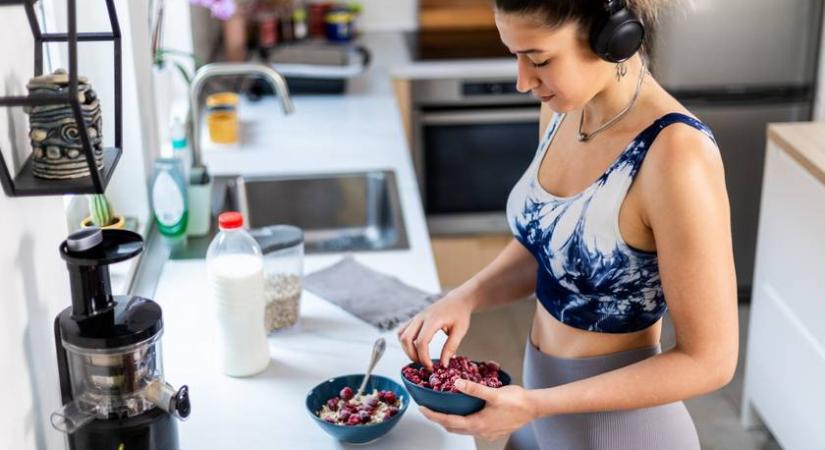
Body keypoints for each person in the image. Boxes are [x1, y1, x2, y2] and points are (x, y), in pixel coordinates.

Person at [397, 1, 738, 448]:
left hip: (620, 434)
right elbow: (548, 246)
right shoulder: (564, 109)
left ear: (613, 37)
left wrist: (540, 404)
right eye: (515, 56)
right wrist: (466, 297)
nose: (523, 81)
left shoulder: (676, 154)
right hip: (539, 414)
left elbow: (710, 361)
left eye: (539, 59)